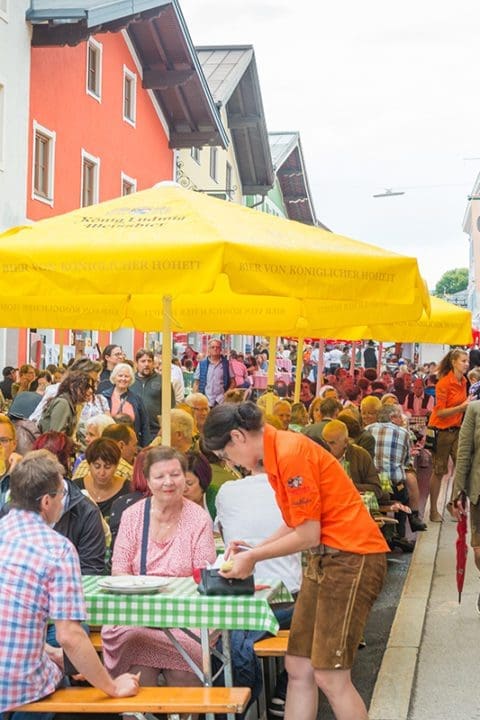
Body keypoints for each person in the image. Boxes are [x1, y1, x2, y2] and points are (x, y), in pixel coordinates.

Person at [202, 402, 388, 720]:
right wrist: (256, 549)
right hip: (329, 561)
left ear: (237, 437)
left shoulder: (289, 454)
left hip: (351, 559)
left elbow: (308, 534)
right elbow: (297, 521)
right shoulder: (279, 452)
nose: (230, 463)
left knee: (331, 675)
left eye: (225, 455)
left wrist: (254, 556)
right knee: (298, 665)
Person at [0, 450, 139, 715]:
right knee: (66, 681)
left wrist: (46, 651)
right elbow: (71, 636)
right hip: (18, 686)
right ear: (46, 502)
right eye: (61, 494)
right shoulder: (57, 549)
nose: (65, 501)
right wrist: (112, 686)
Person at [101, 446, 216, 691]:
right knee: (134, 658)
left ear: (185, 477)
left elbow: (203, 577)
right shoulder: (133, 516)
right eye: (160, 476)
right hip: (137, 615)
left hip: (186, 617)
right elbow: (119, 571)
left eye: (175, 475)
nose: (168, 482)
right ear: (148, 480)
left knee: (186, 661)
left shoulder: (198, 519)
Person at [427, 348, 470, 522]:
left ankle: (453, 503)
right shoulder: (444, 383)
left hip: (457, 430)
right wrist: (462, 408)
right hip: (441, 431)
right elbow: (440, 412)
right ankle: (433, 510)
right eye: (463, 361)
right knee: (439, 470)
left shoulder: (464, 381)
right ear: (453, 362)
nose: (466, 364)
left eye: (467, 361)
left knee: (463, 468)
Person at [449, 399, 480, 612]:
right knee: (479, 550)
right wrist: (457, 492)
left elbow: (464, 453)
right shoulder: (474, 409)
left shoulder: (474, 409)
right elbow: (463, 453)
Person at [75, 438, 130, 522]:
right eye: (97, 466)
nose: (102, 472)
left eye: (108, 467)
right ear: (89, 465)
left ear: (116, 465)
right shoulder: (76, 488)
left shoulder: (128, 490)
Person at [100, 362, 150, 447]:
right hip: (109, 444)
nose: (123, 379)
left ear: (131, 379)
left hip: (132, 445)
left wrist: (146, 447)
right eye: (120, 375)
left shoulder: (137, 400)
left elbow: (145, 425)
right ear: (114, 377)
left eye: (126, 376)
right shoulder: (104, 397)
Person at [131, 348, 175, 439]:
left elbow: (171, 407)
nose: (146, 364)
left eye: (149, 361)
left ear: (153, 363)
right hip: (133, 430)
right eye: (143, 361)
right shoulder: (130, 381)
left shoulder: (163, 380)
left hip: (155, 430)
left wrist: (164, 428)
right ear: (136, 363)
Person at [38, 371, 93, 437]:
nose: (91, 391)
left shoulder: (69, 403)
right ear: (74, 386)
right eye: (86, 386)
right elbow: (56, 438)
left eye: (91, 387)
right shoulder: (63, 404)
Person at [193, 338, 234, 406]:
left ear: (221, 349)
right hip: (205, 401)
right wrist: (195, 398)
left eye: (217, 347)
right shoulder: (201, 364)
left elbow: (233, 382)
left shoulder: (226, 364)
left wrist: (226, 395)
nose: (215, 349)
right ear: (209, 349)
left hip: (221, 402)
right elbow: (196, 383)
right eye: (212, 347)